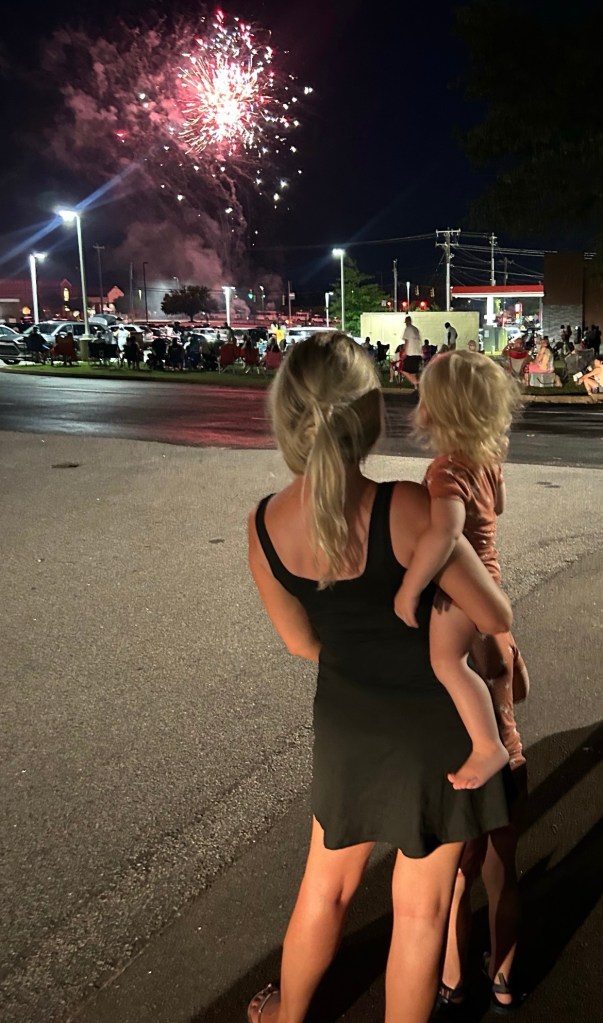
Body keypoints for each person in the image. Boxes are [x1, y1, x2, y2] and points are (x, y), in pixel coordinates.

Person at [246, 332, 513, 1023]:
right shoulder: (409, 509)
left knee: (325, 889)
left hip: (348, 725)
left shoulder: (264, 525)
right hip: (436, 733)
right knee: (420, 913)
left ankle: (286, 1016)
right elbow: (490, 614)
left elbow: (300, 641)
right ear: (370, 416)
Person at [394, 350, 527, 790]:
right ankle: (506, 674)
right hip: (489, 573)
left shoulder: (446, 470)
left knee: (446, 660)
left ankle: (488, 745)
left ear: (436, 412)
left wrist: (410, 587)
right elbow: (498, 507)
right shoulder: (485, 459)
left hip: (463, 587)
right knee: (476, 654)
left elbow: (445, 533)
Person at [401, 315, 422, 388]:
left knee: (404, 370)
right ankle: (416, 386)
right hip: (417, 353)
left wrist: (404, 351)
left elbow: (406, 341)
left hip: (410, 353)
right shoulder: (416, 329)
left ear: (407, 322)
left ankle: (417, 382)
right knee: (413, 372)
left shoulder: (408, 329)